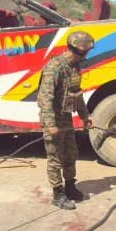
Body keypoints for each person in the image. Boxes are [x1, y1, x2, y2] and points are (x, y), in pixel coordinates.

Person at [37, 31, 96, 210]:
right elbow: (44, 98)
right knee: (55, 158)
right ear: (79, 50)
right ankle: (58, 194)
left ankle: (70, 187)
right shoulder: (54, 67)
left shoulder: (74, 66)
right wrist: (51, 124)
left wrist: (85, 116)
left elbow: (77, 95)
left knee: (71, 154)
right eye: (86, 51)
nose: (87, 55)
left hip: (66, 118)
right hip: (53, 120)